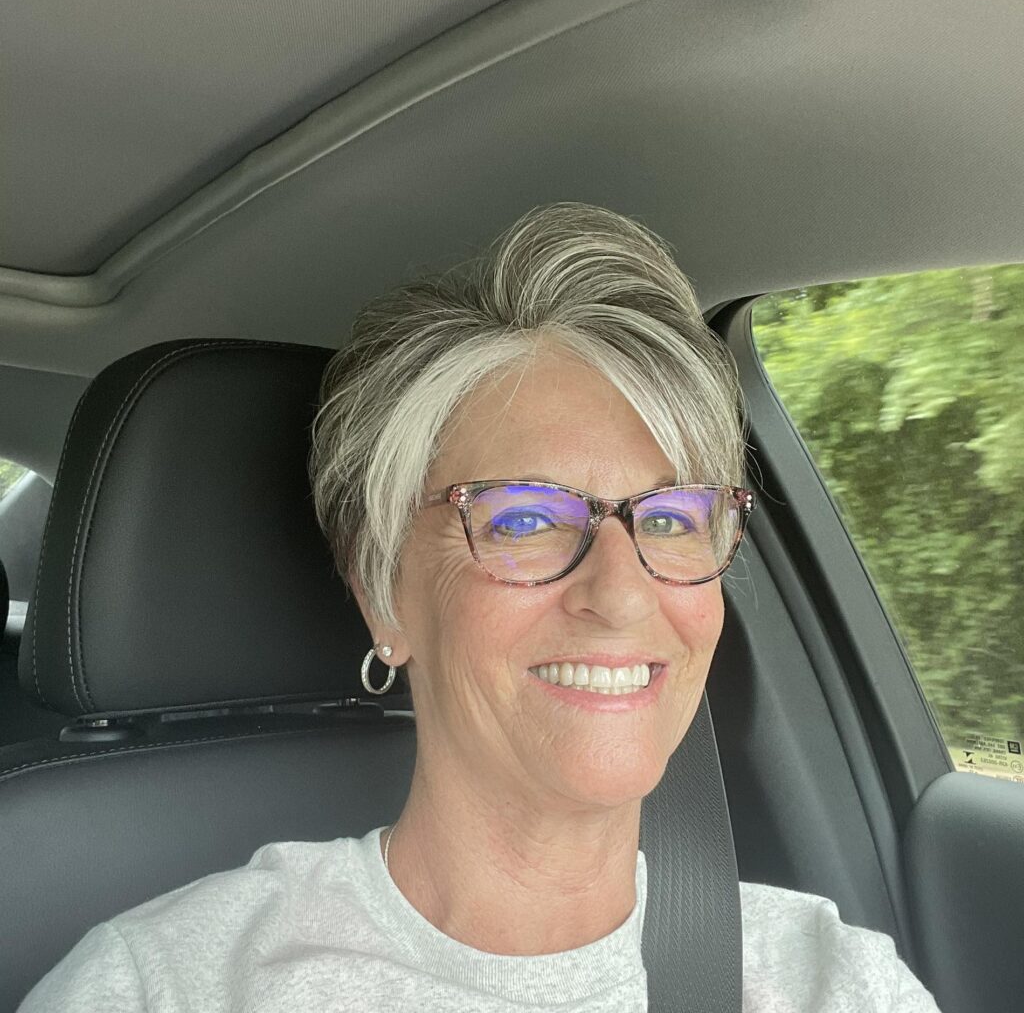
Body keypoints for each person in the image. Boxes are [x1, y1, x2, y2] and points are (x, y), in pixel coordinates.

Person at [18, 203, 941, 1012]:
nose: (622, 593)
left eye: (670, 518)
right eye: (525, 517)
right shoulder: (167, 989)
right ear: (384, 591)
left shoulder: (834, 982)